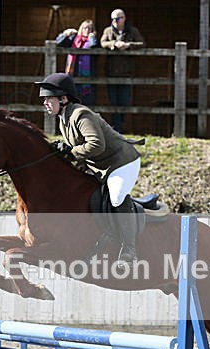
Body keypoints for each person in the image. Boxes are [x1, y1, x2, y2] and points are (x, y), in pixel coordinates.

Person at [35, 73, 143, 264]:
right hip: (101, 165)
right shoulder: (63, 119)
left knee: (117, 197)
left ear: (63, 98)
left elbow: (96, 145)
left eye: (48, 98)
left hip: (122, 163)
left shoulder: (80, 114)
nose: (44, 102)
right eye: (44, 99)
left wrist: (71, 151)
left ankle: (129, 250)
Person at [100, 8, 145, 133]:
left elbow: (142, 44)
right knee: (113, 101)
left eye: (118, 18)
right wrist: (114, 44)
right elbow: (103, 42)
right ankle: (117, 128)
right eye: (113, 19)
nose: (115, 21)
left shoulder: (132, 31)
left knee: (124, 101)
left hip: (126, 72)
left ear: (124, 18)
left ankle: (119, 125)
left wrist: (128, 45)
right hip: (111, 71)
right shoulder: (108, 31)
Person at [56, 19, 99, 106]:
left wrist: (91, 36)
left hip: (88, 80)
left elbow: (93, 45)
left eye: (90, 29)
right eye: (85, 28)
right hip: (73, 75)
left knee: (87, 104)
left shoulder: (93, 40)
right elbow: (59, 42)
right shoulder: (74, 39)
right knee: (72, 103)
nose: (87, 30)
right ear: (81, 29)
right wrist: (65, 33)